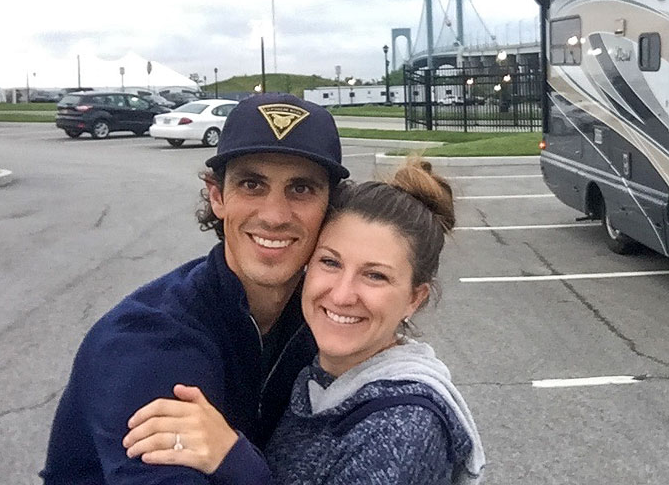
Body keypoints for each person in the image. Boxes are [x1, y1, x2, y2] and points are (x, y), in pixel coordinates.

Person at [41, 92, 349, 484]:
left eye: (301, 189)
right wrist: (241, 464)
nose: (274, 215)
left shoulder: (319, 322)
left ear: (330, 208)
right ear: (217, 195)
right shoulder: (147, 344)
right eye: (252, 184)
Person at [122, 160, 486, 484]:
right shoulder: (316, 376)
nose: (342, 295)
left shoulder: (401, 428)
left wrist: (232, 458)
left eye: (375, 276)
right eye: (330, 262)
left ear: (414, 298)